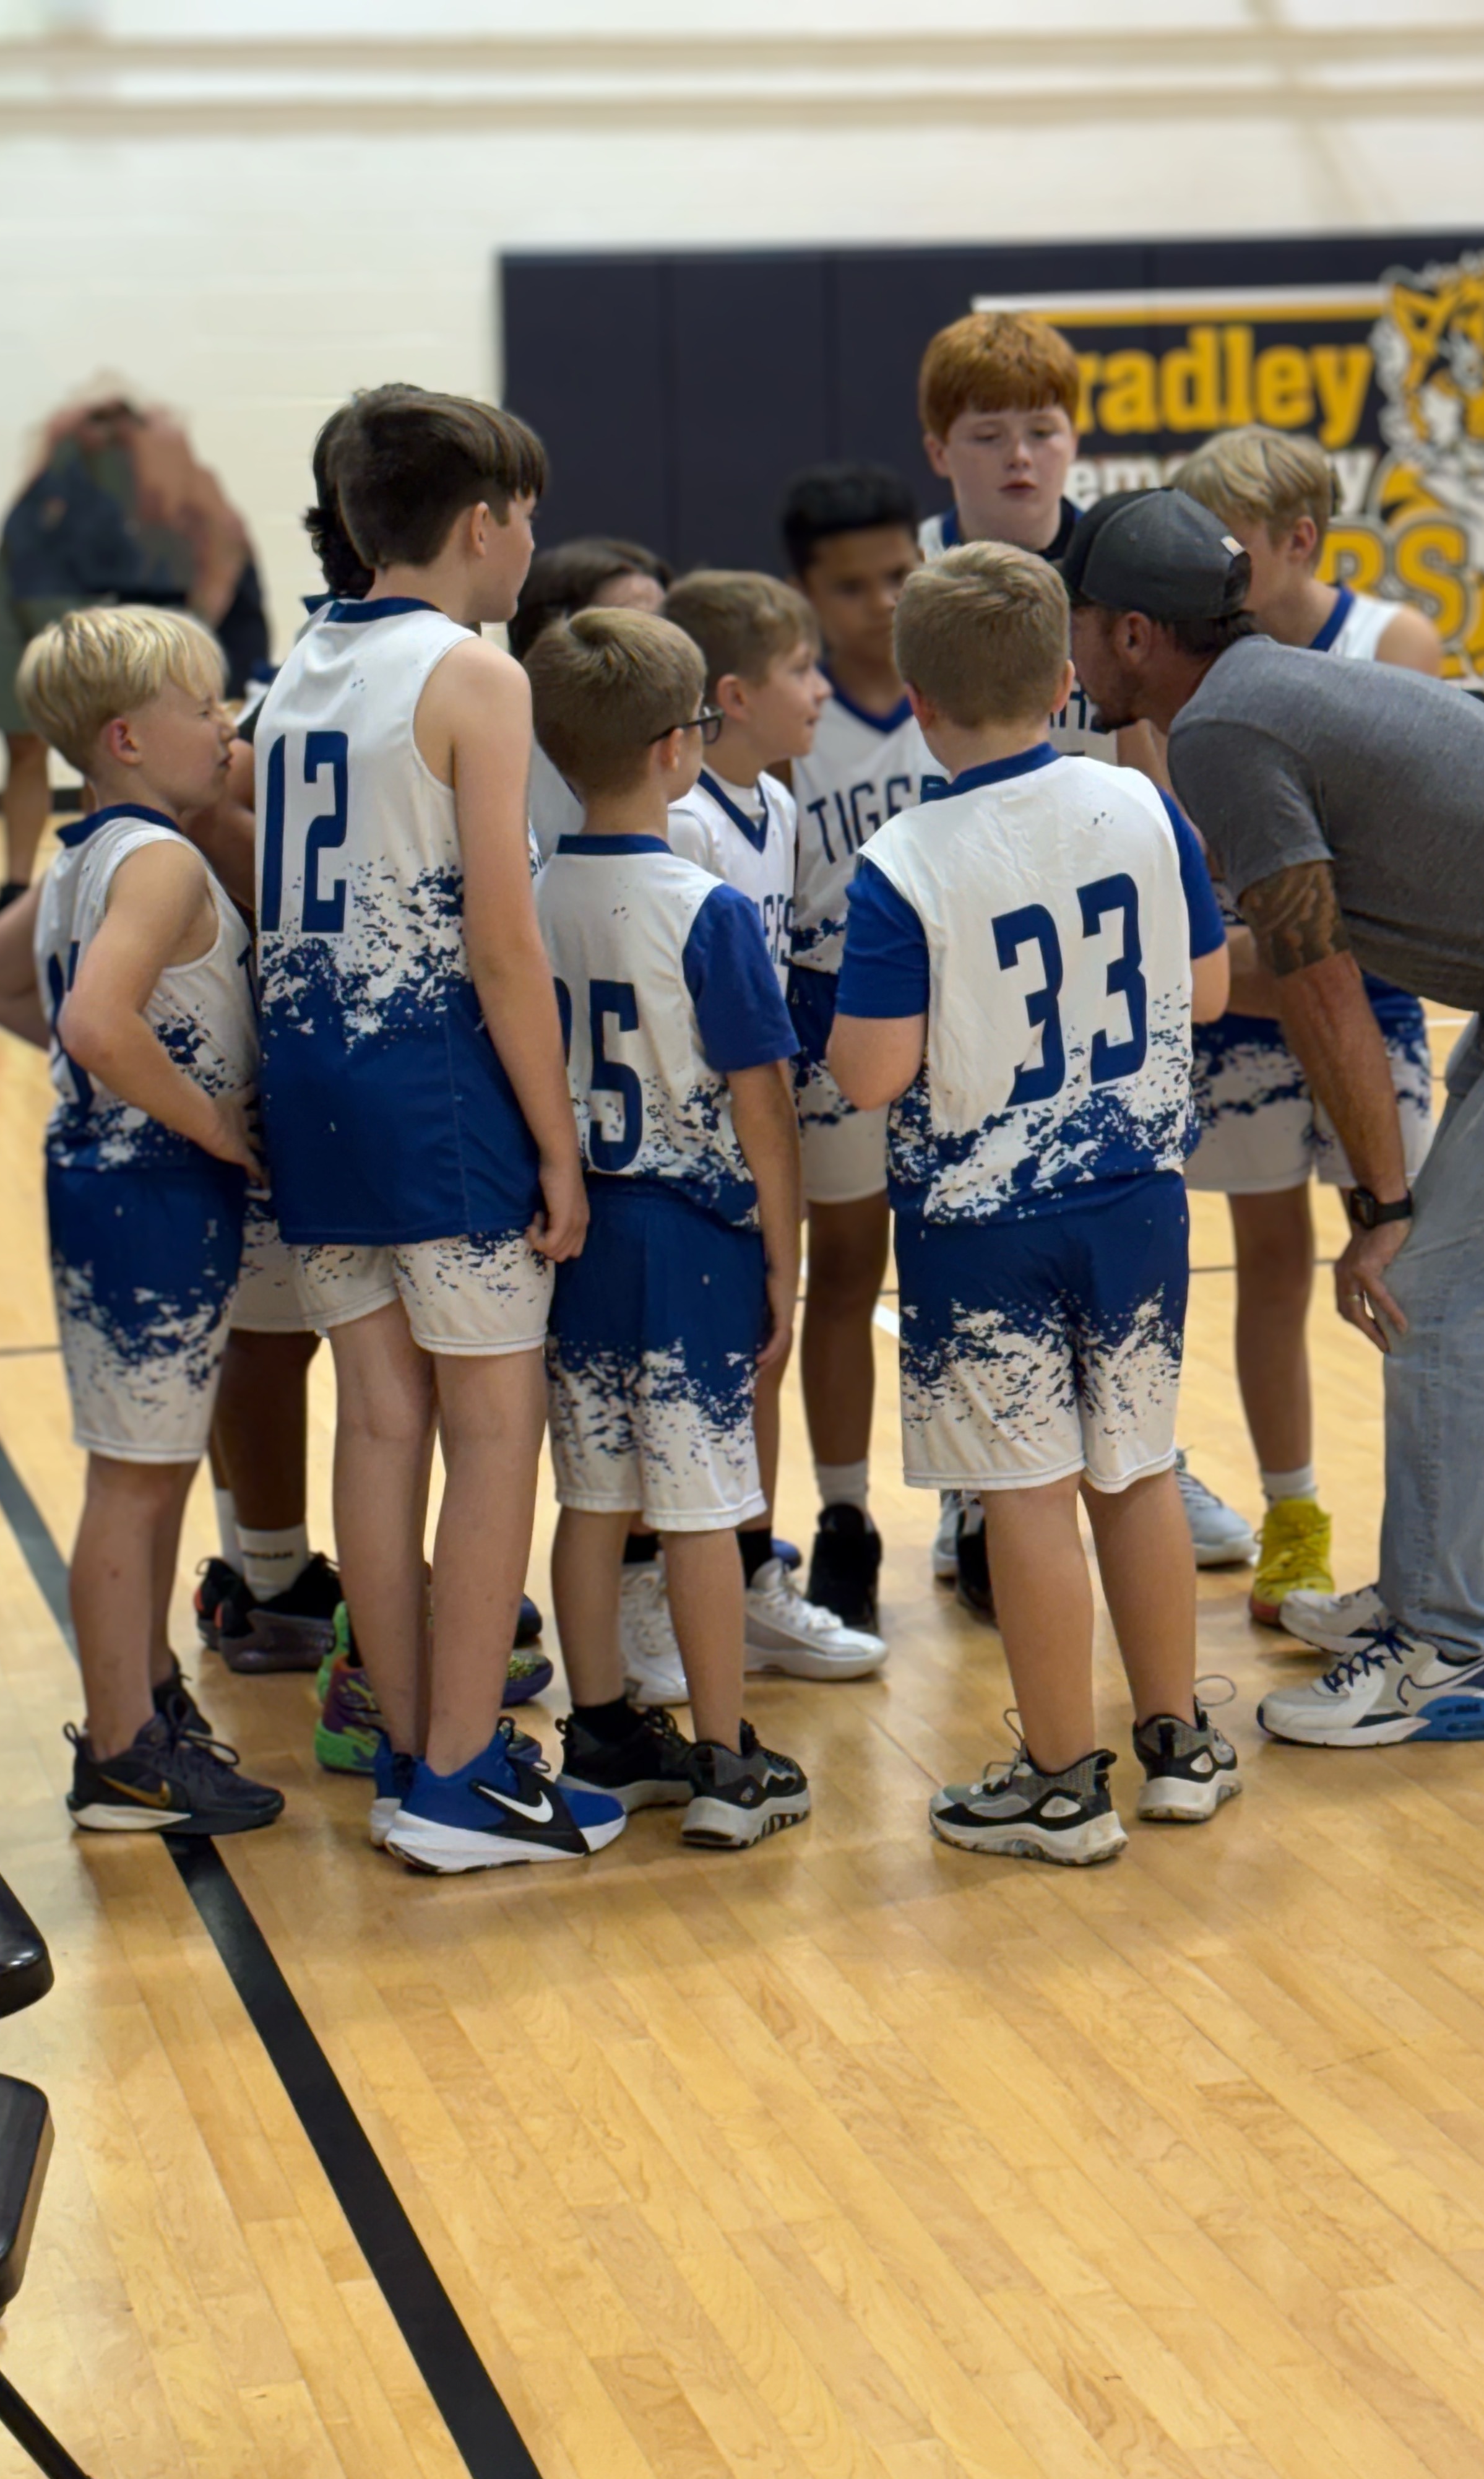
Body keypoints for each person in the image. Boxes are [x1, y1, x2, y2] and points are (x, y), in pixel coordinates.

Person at [1068, 485, 1484, 1750]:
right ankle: (1448, 1586)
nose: (1070, 643)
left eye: (1081, 617)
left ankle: (1452, 1655)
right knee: (1464, 1285)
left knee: (1431, 1287)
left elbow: (1322, 979)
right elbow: (1283, 966)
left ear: (1133, 637)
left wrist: (1382, 1209)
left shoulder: (1223, 732)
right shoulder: (1261, 686)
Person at [252, 385, 622, 1871]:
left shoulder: (292, 672)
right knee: (492, 1431)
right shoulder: (473, 675)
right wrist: (556, 1142)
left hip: (313, 1086)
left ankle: (410, 1742)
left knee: (380, 1421)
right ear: (486, 525)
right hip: (437, 1093)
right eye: (526, 516)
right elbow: (503, 945)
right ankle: (465, 1775)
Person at [829, 543, 1240, 1862]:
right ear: (1068, 677)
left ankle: (1064, 1781)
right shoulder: (1138, 803)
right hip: (1136, 1204)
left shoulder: (902, 858)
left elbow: (876, 1069)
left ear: (919, 700)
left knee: (1027, 1496)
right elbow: (1216, 991)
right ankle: (1179, 1742)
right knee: (1141, 1469)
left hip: (982, 1229)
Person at [914, 308, 1256, 1591]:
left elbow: (1157, 758)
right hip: (969, 971)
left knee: (1128, 1233)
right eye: (991, 433)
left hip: (1103, 973)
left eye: (1042, 431)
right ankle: (974, 1494)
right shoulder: (920, 587)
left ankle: (1145, 1457)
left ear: (1076, 442)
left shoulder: (1118, 587)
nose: (1019, 457)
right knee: (976, 1241)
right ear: (942, 447)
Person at [1162, 424, 1484, 1629]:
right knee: (1267, 1266)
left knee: (1427, 1265)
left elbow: (1427, 825)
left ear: (1299, 539)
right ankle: (1295, 1516)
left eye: (1231, 548)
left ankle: (1479, 1526)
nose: (1211, 572)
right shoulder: (1196, 666)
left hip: (1368, 998)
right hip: (1252, 1006)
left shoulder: (1390, 642)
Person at [527, 607, 813, 1846]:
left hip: (577, 1233)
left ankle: (600, 1733)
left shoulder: (530, 894)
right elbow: (766, 1113)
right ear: (674, 749)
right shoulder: (709, 910)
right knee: (700, 1505)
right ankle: (724, 1758)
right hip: (693, 1234)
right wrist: (786, 1273)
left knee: (593, 1499)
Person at [12, 605, 284, 1834]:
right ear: (127, 735)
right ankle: (120, 1752)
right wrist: (214, 1122)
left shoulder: (88, 852)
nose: (225, 725)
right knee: (131, 1481)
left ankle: (149, 1696)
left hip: (117, 1186)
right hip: (147, 1195)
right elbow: (93, 1025)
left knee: (154, 1467)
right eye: (204, 707)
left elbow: (26, 991)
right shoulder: (161, 860)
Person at [658, 567, 887, 1686]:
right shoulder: (678, 824)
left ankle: (748, 1576)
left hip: (758, 1134)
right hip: (679, 1148)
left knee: (753, 1358)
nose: (819, 687)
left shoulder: (780, 807)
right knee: (684, 1382)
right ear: (731, 695)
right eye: (799, 669)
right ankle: (666, 1592)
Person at [779, 463, 943, 1631]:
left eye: (899, 573)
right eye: (852, 586)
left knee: (962, 1272)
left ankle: (984, 1504)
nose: (882, 602)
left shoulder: (961, 695)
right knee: (841, 1272)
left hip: (966, 1023)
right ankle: (843, 1513)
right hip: (832, 1023)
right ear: (805, 591)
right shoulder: (791, 724)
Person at [0, 394, 267, 913]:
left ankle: (118, 853)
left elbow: (213, 583)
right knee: (53, 749)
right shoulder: (51, 503)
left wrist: (183, 675)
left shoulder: (183, 495)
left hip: (158, 635)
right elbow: (43, 600)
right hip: (57, 627)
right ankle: (20, 887)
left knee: (150, 753)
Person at [507, 535, 673, 855]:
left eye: (665, 623)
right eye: (635, 625)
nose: (662, 647)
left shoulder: (679, 746)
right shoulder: (502, 757)